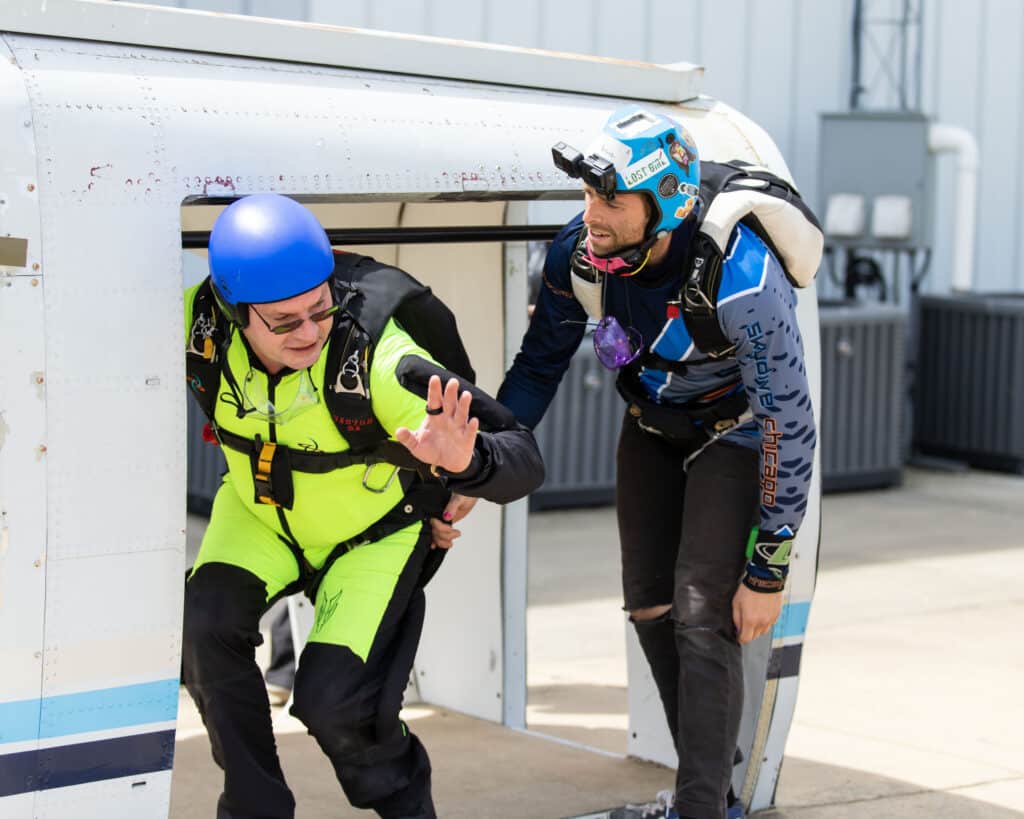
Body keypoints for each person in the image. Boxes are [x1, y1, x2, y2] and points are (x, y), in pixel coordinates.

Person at [440, 105, 817, 819]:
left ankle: (700, 807)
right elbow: (537, 368)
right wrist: (478, 466)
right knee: (650, 605)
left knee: (703, 612)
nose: (592, 214)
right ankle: (712, 790)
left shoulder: (740, 278)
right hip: (648, 424)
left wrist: (769, 568)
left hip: (735, 435)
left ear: (666, 203)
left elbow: (786, 427)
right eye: (587, 195)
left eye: (609, 198)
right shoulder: (577, 256)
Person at [181, 193, 544, 819]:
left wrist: (465, 463)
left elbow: (523, 457)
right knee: (202, 632)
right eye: (286, 323)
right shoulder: (198, 324)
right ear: (235, 313)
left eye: (320, 309)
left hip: (371, 534)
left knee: (336, 707)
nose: (311, 333)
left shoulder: (378, 359)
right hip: (258, 511)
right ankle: (254, 805)